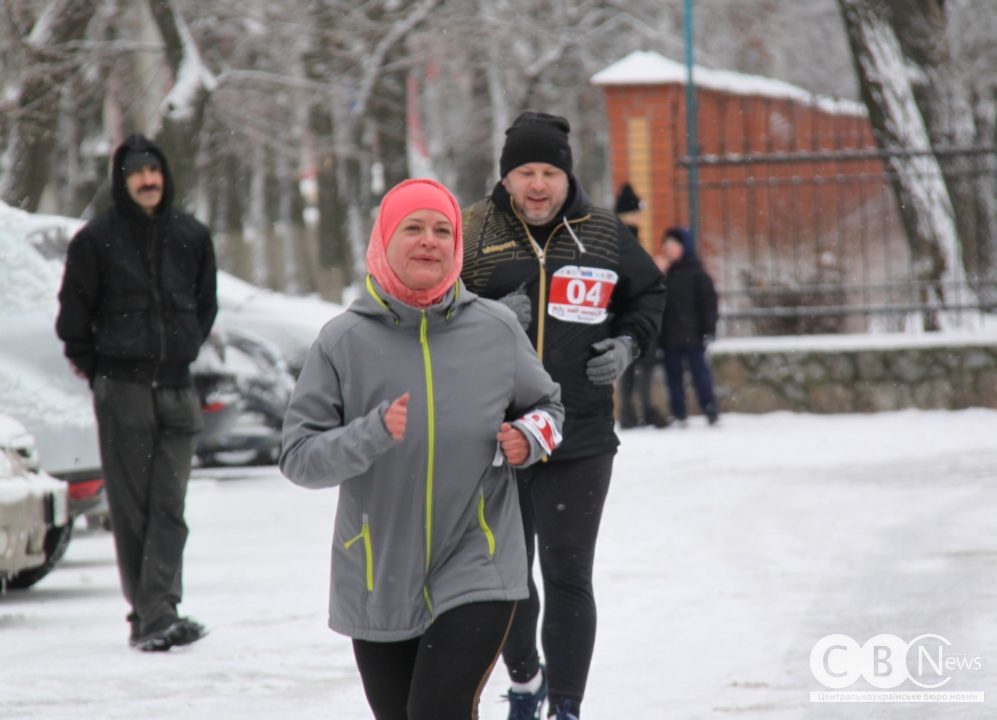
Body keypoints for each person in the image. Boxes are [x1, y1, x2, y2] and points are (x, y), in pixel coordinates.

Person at [280, 179, 564, 720]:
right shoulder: (342, 341)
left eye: (442, 230)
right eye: (413, 228)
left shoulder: (496, 329)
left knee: (438, 709)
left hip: (477, 558)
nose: (428, 241)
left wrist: (527, 438)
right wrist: (369, 434)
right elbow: (298, 457)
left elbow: (552, 411)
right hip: (377, 568)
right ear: (384, 241)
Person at [461, 112, 666, 720]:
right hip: (496, 436)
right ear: (507, 177)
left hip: (579, 435)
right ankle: (525, 680)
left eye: (549, 170)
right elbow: (436, 309)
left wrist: (629, 343)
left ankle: (567, 709)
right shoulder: (472, 231)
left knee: (569, 574)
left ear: (566, 175)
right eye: (525, 171)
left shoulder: (601, 232)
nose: (538, 184)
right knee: (508, 579)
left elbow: (649, 292)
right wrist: (489, 311)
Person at [56, 134, 217, 651]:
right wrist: (101, 371)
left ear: (165, 177)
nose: (149, 181)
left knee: (169, 503)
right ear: (122, 182)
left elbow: (205, 307)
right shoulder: (95, 241)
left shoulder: (192, 236)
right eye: (137, 173)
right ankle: (151, 614)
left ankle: (157, 612)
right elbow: (73, 322)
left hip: (176, 389)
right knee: (133, 508)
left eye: (155, 172)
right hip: (123, 390)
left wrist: (182, 348)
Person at [614, 183, 669, 429]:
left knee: (632, 365)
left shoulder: (618, 237)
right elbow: (636, 277)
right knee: (641, 363)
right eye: (636, 212)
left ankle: (632, 411)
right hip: (633, 309)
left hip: (624, 310)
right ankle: (641, 410)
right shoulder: (626, 238)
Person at [659, 226, 720, 425]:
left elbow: (709, 305)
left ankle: (710, 410)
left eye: (673, 245)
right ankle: (679, 413)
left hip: (693, 336)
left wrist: (709, 330)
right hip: (669, 337)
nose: (668, 249)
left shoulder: (697, 274)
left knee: (700, 375)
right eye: (666, 245)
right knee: (673, 377)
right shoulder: (665, 274)